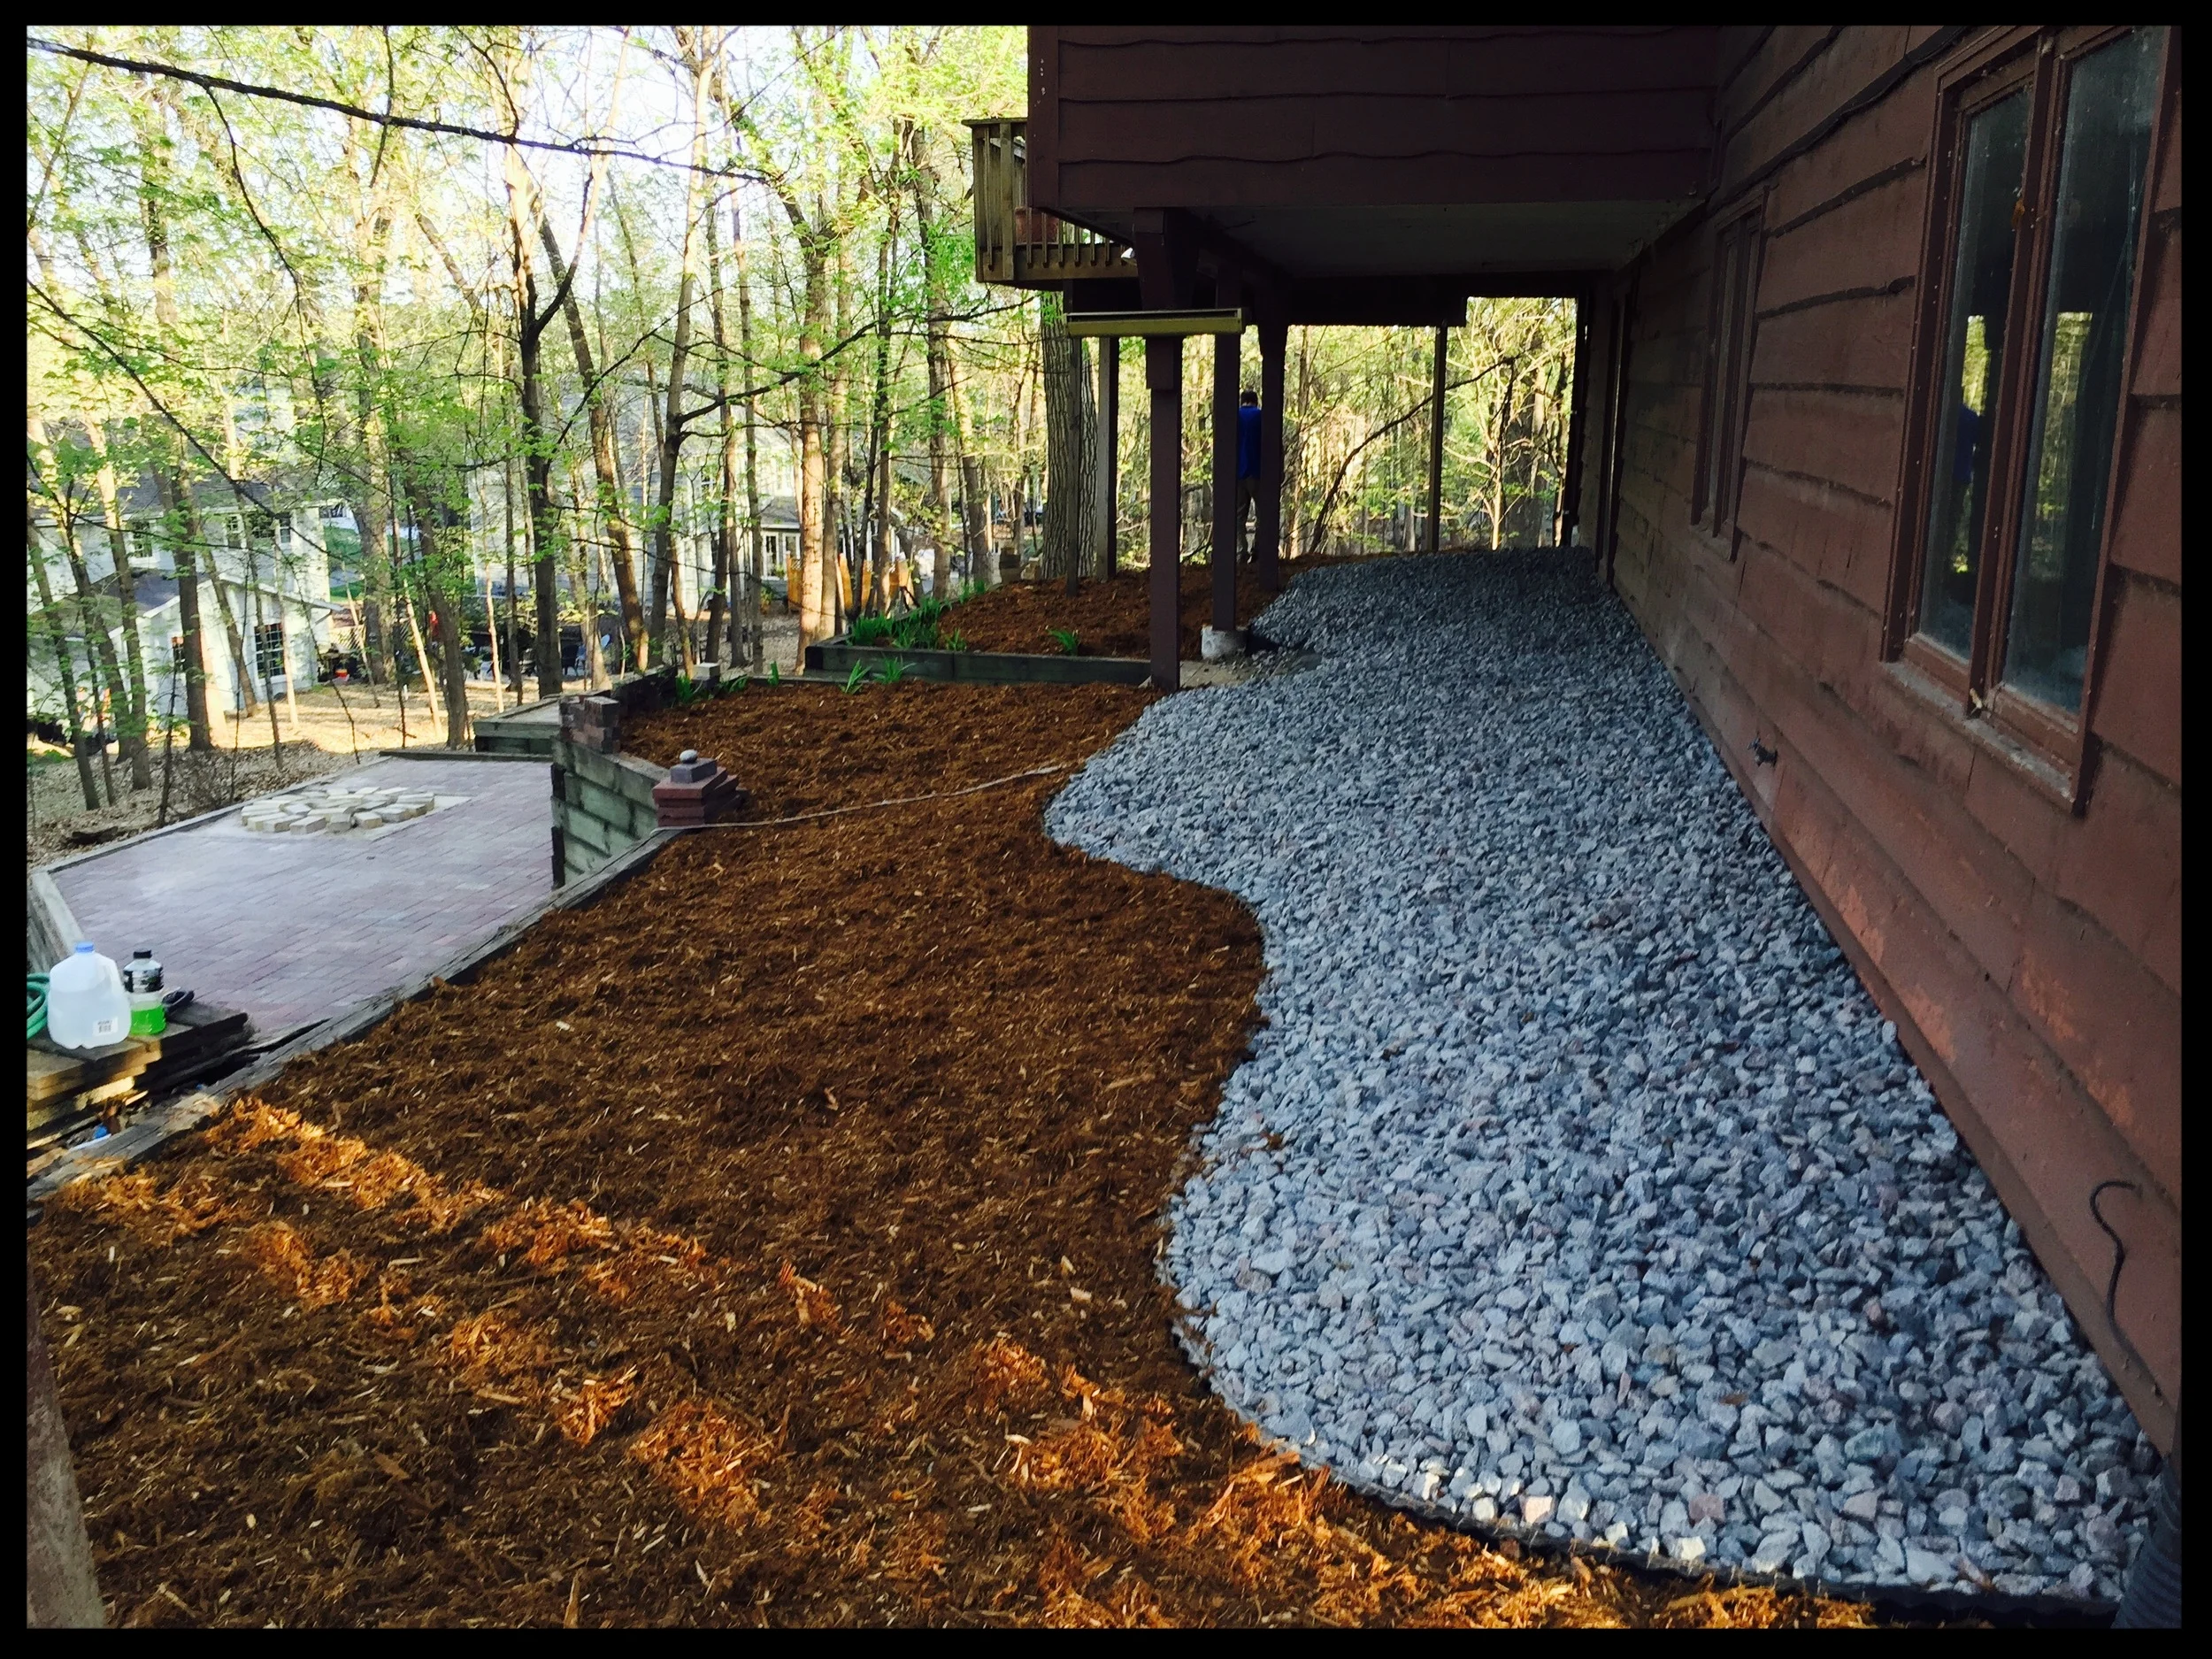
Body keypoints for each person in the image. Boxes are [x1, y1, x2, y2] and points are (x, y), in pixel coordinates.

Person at [1235, 388, 1263, 558]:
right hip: (1258, 472)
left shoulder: (1233, 415)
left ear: (1242, 401)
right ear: (1256, 401)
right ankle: (1258, 550)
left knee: (1239, 514)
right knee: (1262, 513)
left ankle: (1241, 550)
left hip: (1237, 472)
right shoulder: (1262, 416)